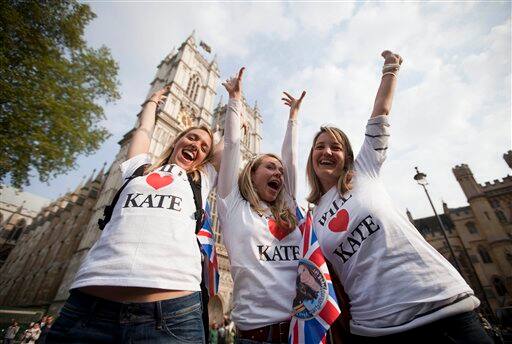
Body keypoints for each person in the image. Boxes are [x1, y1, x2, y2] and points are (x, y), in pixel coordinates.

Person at [305, 50, 492, 343]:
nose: (327, 151)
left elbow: (380, 114)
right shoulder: (313, 219)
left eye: (335, 147)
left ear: (348, 157)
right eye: (319, 146)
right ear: (311, 157)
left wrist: (390, 69)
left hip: (441, 307)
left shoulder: (364, 171)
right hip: (377, 328)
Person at [47, 84, 223, 343]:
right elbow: (143, 130)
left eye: (204, 146)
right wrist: (152, 102)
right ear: (176, 140)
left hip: (171, 313)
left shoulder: (199, 181)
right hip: (90, 307)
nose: (196, 145)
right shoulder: (138, 170)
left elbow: (224, 151)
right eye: (192, 138)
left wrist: (234, 104)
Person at [216, 67, 305, 344]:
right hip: (257, 335)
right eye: (269, 167)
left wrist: (293, 118)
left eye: (280, 170)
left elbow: (290, 160)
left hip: (303, 330)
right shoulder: (233, 208)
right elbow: (231, 146)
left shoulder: (288, 210)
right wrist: (235, 100)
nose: (279, 173)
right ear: (251, 173)